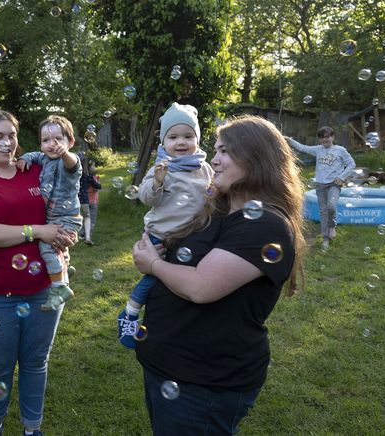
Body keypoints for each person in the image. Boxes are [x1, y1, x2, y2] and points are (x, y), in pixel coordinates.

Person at [131, 115, 306, 435]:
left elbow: (200, 286)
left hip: (204, 382)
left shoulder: (264, 224)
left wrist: (153, 265)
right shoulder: (219, 211)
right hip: (168, 366)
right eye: (216, 149)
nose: (214, 158)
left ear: (255, 158)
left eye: (225, 151)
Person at [0, 110, 76, 436]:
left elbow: (65, 194)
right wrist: (39, 231)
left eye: (11, 135)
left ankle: (31, 428)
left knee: (36, 360)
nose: (7, 142)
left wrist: (65, 232)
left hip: (44, 288)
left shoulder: (34, 170)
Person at [117, 102, 213, 349]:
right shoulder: (161, 168)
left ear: (197, 140)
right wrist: (157, 182)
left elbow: (211, 194)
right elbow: (146, 198)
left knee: (179, 279)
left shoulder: (204, 169)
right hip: (161, 236)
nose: (181, 142)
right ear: (163, 143)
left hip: (190, 237)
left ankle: (179, 324)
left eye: (188, 136)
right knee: (154, 275)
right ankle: (129, 313)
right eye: (173, 137)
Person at [16, 115, 82, 311]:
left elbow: (73, 165)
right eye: (46, 140)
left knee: (47, 246)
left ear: (70, 142)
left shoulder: (68, 161)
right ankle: (63, 267)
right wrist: (24, 158)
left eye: (58, 140)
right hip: (52, 216)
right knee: (57, 246)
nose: (52, 145)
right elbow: (35, 155)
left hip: (67, 216)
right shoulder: (44, 157)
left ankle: (60, 287)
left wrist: (65, 154)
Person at [284, 126, 355, 250]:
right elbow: (302, 147)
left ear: (332, 137)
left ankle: (332, 226)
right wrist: (289, 140)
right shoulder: (318, 150)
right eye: (322, 138)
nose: (324, 140)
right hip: (321, 186)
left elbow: (351, 164)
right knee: (323, 211)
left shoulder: (340, 150)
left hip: (334, 185)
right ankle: (325, 238)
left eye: (327, 137)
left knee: (331, 206)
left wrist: (342, 177)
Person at [78, 156, 102, 246]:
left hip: (74, 200)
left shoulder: (73, 175)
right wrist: (99, 184)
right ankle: (87, 237)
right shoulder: (88, 177)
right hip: (84, 200)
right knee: (87, 217)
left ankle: (75, 236)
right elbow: (97, 186)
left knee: (74, 218)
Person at [86, 160, 101, 241]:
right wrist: (98, 182)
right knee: (92, 219)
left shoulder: (83, 178)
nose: (95, 168)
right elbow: (95, 189)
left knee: (85, 218)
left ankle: (82, 233)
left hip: (84, 202)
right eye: (94, 166)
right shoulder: (94, 178)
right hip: (93, 202)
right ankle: (89, 234)